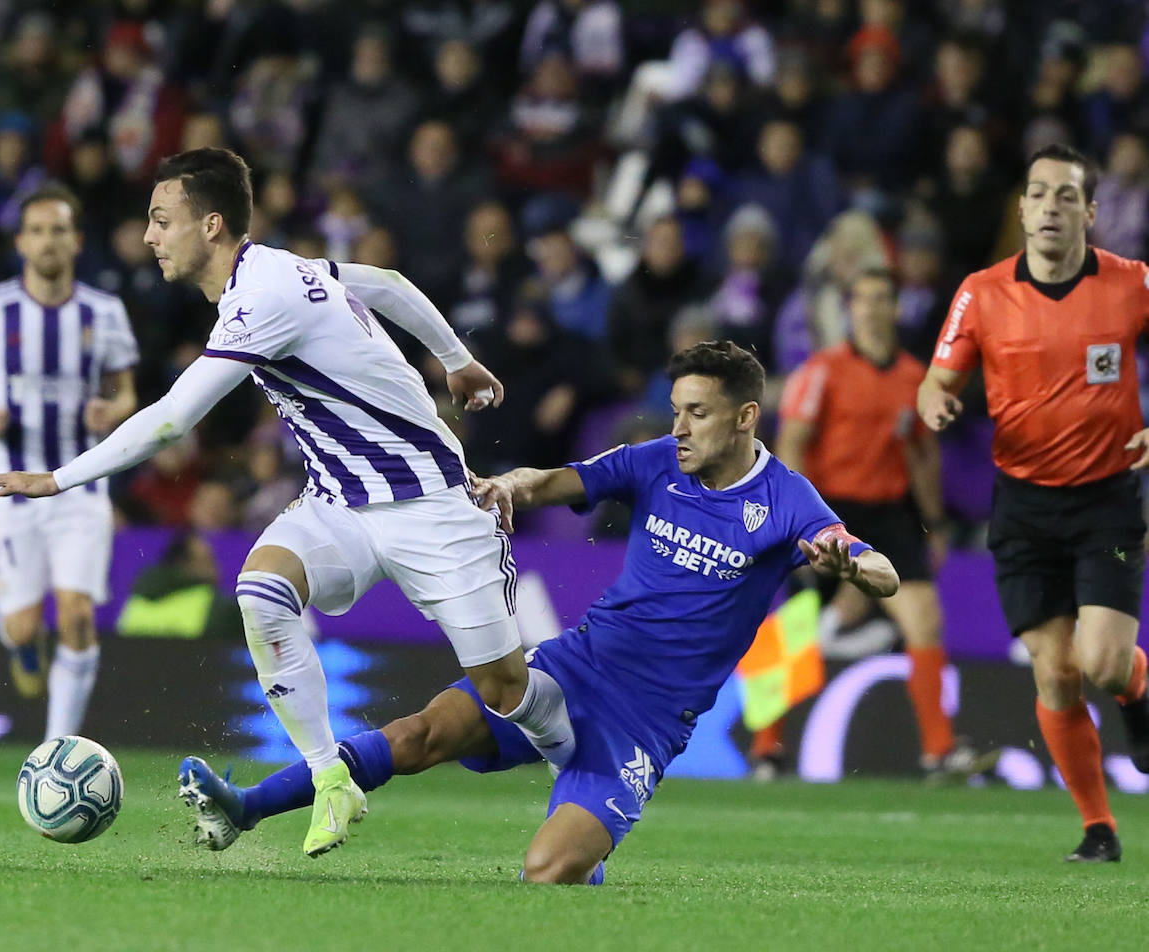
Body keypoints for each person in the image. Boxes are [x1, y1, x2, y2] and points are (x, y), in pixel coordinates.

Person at [0, 147, 577, 859]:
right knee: (261, 589)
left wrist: (57, 478)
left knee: (505, 692)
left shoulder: (263, 298)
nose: (148, 237)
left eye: (163, 221)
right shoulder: (282, 268)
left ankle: (584, 781)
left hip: (433, 505)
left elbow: (171, 419)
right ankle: (331, 778)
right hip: (341, 505)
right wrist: (453, 358)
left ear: (213, 224)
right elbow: (385, 281)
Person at [176, 341, 899, 883]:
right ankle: (245, 806)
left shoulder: (788, 500)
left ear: (746, 418)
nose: (680, 428)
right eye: (677, 410)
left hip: (640, 724)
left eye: (698, 414)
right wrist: (511, 484)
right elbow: (560, 481)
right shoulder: (655, 463)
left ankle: (585, 849)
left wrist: (853, 563)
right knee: (419, 733)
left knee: (547, 871)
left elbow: (882, 572)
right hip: (574, 667)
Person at [918, 143, 1149, 863]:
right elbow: (937, 380)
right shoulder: (981, 292)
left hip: (1107, 498)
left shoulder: (1132, 283)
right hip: (1023, 505)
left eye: (1065, 195)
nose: (1050, 207)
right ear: (1021, 210)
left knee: (1104, 664)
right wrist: (935, 403)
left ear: (1090, 211)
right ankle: (1098, 827)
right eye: (1038, 194)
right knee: (1056, 670)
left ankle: (1136, 695)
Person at [756, 267, 995, 781]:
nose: (871, 309)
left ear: (895, 307)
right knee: (792, 630)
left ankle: (939, 752)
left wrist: (934, 523)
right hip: (825, 513)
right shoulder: (821, 371)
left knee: (925, 622)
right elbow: (793, 444)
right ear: (850, 310)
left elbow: (923, 456)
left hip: (890, 516)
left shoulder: (914, 378)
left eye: (881, 299)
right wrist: (791, 519)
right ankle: (765, 750)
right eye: (861, 300)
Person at [0, 183, 138, 742]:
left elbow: (127, 392)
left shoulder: (104, 311)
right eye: (38, 230)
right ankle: (23, 645)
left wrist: (111, 409)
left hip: (80, 489)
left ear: (76, 241)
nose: (48, 241)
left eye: (59, 230)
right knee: (22, 628)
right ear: (21, 242)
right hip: (6, 489)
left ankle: (55, 748)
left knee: (77, 615)